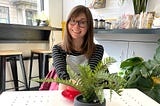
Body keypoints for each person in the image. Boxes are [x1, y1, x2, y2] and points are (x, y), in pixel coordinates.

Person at [40, 5, 104, 90]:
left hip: (87, 92)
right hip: (65, 89)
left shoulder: (97, 50)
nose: (76, 26)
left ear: (89, 26)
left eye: (82, 22)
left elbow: (89, 76)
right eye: (73, 21)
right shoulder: (58, 49)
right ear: (67, 24)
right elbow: (63, 77)